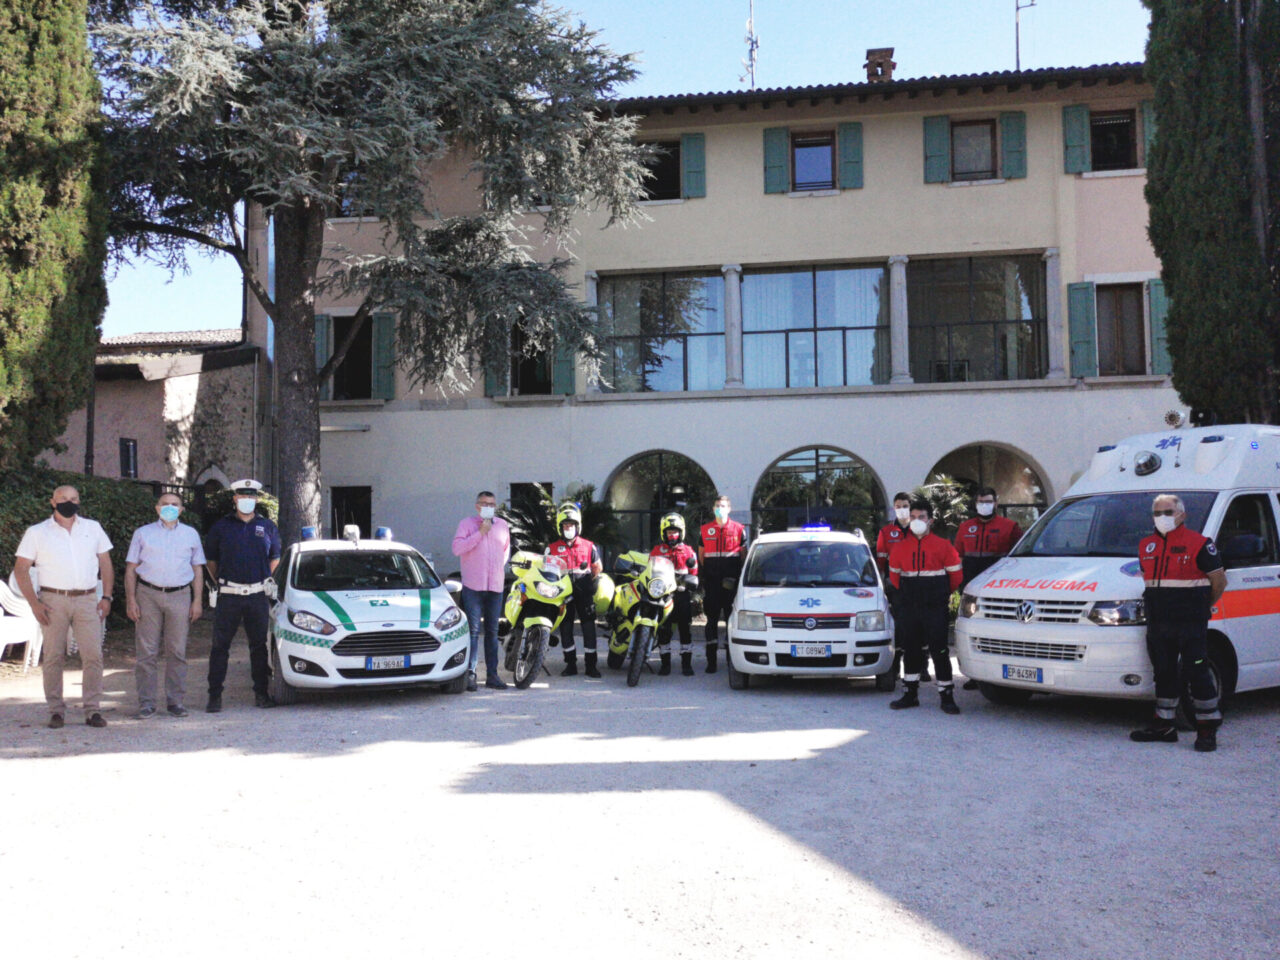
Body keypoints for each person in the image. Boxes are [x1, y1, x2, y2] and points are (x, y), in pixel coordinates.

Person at [1130, 494, 1227, 752]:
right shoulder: (1145, 545)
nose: (1163, 517)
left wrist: (1202, 605)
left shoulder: (1199, 544)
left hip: (1190, 623)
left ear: (1182, 515)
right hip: (1158, 622)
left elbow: (1219, 581)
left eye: (1168, 512)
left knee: (1197, 671)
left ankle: (1206, 729)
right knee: (1163, 671)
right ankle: (1164, 725)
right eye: (1158, 513)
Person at [13, 485, 114, 729]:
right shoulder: (37, 532)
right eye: (63, 498)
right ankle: (56, 710)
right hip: (52, 600)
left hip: (88, 599)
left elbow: (106, 564)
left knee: (93, 655)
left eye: (73, 498)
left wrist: (107, 597)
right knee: (53, 656)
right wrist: (34, 603)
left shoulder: (93, 528)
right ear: (52, 502)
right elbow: (21, 569)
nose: (69, 502)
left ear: (79, 501)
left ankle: (93, 710)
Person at [124, 492, 206, 718]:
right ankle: (147, 703)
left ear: (181, 510)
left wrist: (198, 600)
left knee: (177, 651)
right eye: (165, 504)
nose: (170, 507)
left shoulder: (191, 534)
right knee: (146, 652)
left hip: (180, 594)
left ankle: (175, 701)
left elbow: (198, 568)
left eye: (175, 504)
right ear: (157, 508)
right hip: (147, 594)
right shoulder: (143, 533)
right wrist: (131, 599)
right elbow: (131, 568)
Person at [203, 480, 281, 712]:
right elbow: (211, 561)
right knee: (220, 647)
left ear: (256, 499)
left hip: (257, 594)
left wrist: (263, 580)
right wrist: (224, 582)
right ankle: (214, 696)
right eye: (242, 496)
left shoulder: (267, 527)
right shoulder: (221, 527)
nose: (246, 500)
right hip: (229, 595)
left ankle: (261, 693)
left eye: (251, 496)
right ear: (235, 498)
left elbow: (274, 559)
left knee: (258, 647)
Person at [887, 500, 963, 714]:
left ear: (930, 520)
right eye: (913, 517)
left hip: (934, 608)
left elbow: (956, 576)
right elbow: (895, 578)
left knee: (939, 650)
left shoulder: (943, 545)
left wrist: (939, 595)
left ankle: (946, 696)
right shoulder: (900, 547)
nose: (917, 521)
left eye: (921, 517)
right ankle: (910, 694)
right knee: (910, 650)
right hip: (910, 607)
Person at [953, 487, 1022, 688]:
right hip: (972, 587)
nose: (985, 505)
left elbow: (1019, 557)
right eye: (981, 501)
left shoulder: (1009, 526)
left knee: (999, 632)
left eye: (988, 501)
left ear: (996, 503)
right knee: (974, 632)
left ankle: (1003, 674)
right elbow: (957, 555)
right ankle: (976, 675)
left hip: (1000, 588)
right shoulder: (966, 527)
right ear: (976, 504)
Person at [451, 490, 510, 690]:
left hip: (495, 586)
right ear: (477, 506)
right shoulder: (466, 524)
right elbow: (457, 549)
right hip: (473, 586)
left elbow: (505, 552)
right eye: (485, 504)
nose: (489, 507)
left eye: (492, 504)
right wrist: (480, 533)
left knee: (493, 632)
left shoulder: (502, 525)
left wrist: (497, 571)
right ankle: (470, 674)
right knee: (473, 632)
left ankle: (493, 676)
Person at [876, 491, 929, 684]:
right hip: (896, 585)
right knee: (898, 627)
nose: (901, 509)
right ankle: (896, 666)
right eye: (898, 506)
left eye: (905, 505)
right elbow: (881, 559)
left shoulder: (919, 529)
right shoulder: (886, 532)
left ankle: (923, 666)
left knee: (921, 624)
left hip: (919, 583)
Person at [546, 502, 604, 678]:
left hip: (584, 592)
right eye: (565, 525)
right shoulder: (552, 548)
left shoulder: (588, 546)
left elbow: (598, 567)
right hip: (563, 594)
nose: (568, 528)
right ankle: (570, 664)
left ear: (578, 526)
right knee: (565, 627)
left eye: (571, 525)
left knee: (588, 628)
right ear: (560, 527)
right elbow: (546, 570)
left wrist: (590, 583)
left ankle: (591, 666)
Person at [698, 495, 747, 674]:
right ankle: (711, 663)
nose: (720, 508)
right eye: (717, 505)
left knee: (730, 621)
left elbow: (743, 556)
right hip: (712, 583)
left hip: (731, 584)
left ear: (729, 508)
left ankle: (730, 661)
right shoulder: (705, 530)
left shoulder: (739, 529)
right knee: (711, 621)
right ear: (713, 509)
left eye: (723, 506)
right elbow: (701, 556)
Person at [651, 512, 699, 676]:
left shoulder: (688, 551)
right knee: (664, 630)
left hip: (682, 596)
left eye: (675, 532)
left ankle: (687, 664)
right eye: (669, 532)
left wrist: (688, 582)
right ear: (664, 533)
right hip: (663, 597)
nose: (672, 535)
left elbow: (694, 572)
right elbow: (650, 571)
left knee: (685, 629)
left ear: (681, 532)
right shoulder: (657, 550)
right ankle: (665, 665)